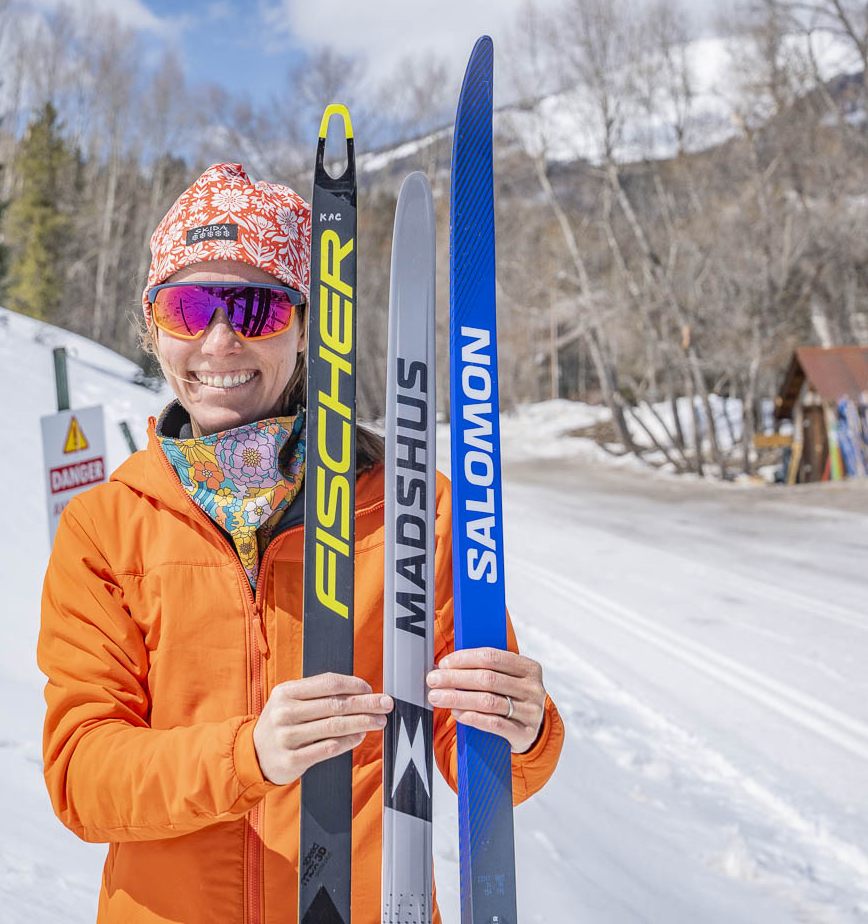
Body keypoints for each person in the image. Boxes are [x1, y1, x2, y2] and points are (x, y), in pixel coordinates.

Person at [38, 163, 565, 923]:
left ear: (305, 324)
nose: (219, 340)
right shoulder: (106, 528)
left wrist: (523, 729)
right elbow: (81, 778)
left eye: (253, 307)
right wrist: (246, 755)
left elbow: (474, 762)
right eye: (186, 307)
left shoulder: (414, 511)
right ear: (152, 329)